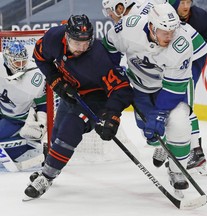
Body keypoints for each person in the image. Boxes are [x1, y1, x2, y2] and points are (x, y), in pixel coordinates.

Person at [24, 14, 133, 199]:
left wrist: (112, 116)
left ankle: (46, 177)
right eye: (77, 42)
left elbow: (122, 89)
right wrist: (55, 79)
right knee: (57, 132)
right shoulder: (53, 38)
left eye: (86, 42)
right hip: (71, 92)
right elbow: (39, 56)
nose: (82, 48)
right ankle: (50, 166)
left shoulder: (98, 57)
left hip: (96, 98)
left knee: (70, 128)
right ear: (66, 37)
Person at [102, 3, 207, 191]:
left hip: (170, 84)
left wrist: (160, 113)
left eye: (172, 31)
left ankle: (177, 170)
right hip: (141, 85)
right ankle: (164, 145)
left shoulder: (181, 43)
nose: (169, 36)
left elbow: (174, 87)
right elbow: (109, 45)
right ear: (151, 26)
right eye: (164, 32)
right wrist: (112, 68)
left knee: (179, 122)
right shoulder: (129, 27)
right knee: (149, 132)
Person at [167, 0, 207, 174]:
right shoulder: (163, 14)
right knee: (171, 106)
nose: (186, 6)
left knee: (182, 106)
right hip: (167, 66)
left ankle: (196, 152)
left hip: (189, 68)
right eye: (182, 2)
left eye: (189, 2)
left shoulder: (199, 16)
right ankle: (180, 146)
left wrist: (196, 54)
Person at [0, 40, 47, 172]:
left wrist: (42, 123)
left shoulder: (35, 75)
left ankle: (32, 147)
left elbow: (42, 102)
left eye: (23, 62)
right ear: (8, 60)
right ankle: (29, 147)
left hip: (18, 119)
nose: (21, 66)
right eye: (17, 62)